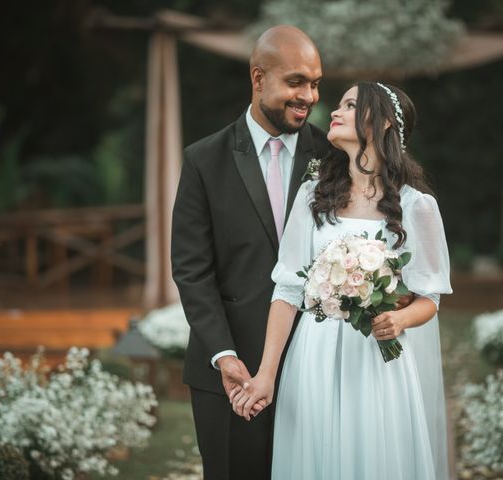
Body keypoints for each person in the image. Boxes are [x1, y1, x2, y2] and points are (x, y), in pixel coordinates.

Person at [232, 82, 453, 479]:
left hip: (376, 361)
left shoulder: (417, 206)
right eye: (340, 104)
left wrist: (399, 320)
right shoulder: (313, 197)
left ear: (383, 122)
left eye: (351, 105)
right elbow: (286, 290)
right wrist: (266, 373)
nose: (335, 111)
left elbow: (430, 298)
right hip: (313, 354)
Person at [170, 26, 329, 480]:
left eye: (315, 83)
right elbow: (191, 268)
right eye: (296, 82)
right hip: (231, 373)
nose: (309, 96)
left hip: (316, 364)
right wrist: (222, 353)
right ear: (259, 79)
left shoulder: (334, 156)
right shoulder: (205, 159)